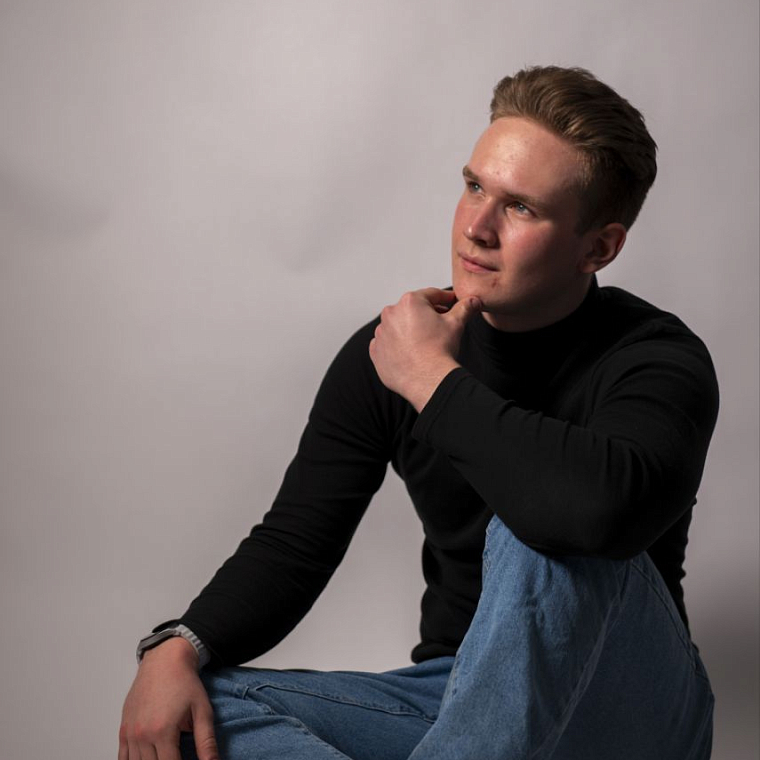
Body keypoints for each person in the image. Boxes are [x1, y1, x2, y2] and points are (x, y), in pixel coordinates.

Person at [119, 66, 719, 760]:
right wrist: (176, 648)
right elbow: (296, 543)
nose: (477, 227)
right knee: (199, 712)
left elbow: (597, 513)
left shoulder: (655, 358)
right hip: (453, 697)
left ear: (599, 247)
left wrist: (433, 380)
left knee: (539, 521)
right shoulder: (388, 353)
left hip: (628, 708)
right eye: (474, 187)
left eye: (521, 208)